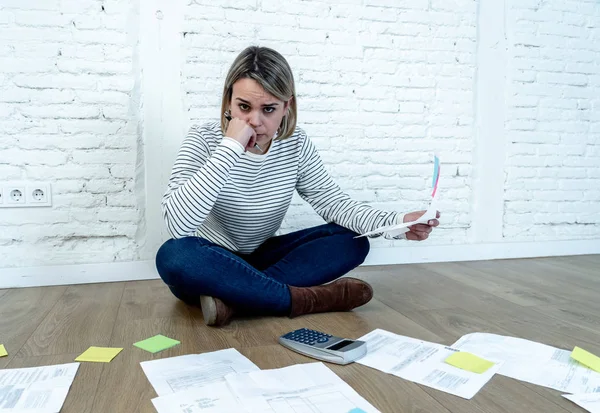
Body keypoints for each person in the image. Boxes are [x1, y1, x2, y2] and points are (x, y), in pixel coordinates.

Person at [155, 46, 440, 327]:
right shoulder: (204, 139)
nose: (255, 121)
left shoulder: (296, 145)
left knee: (351, 240)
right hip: (213, 261)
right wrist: (230, 147)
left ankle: (237, 299)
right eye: (244, 107)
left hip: (263, 260)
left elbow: (334, 202)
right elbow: (178, 225)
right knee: (174, 255)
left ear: (286, 106)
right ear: (229, 101)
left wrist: (398, 223)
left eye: (268, 109)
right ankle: (307, 299)